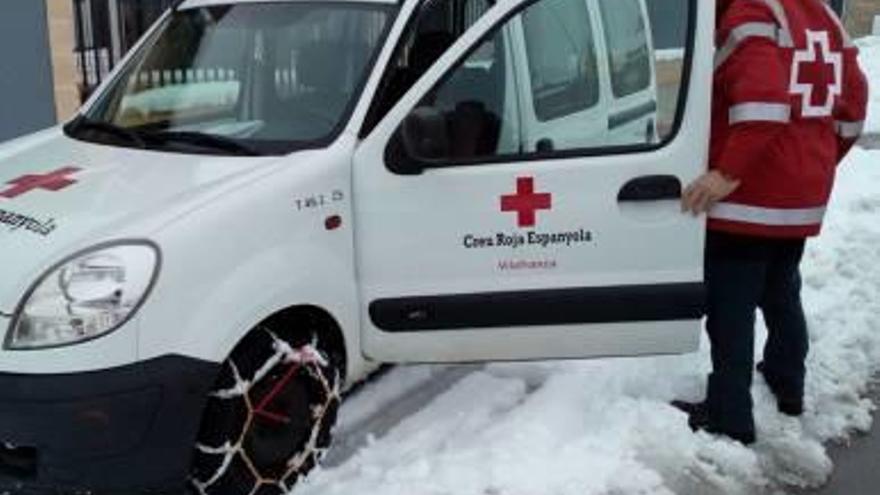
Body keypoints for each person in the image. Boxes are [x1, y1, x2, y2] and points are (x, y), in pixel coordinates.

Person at [672, 0, 869, 445]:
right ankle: (787, 383)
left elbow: (763, 104)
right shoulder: (823, 15)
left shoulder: (751, 13)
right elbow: (854, 105)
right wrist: (816, 161)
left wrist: (727, 173)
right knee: (781, 290)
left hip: (750, 197)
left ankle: (730, 413)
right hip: (802, 194)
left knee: (731, 307)